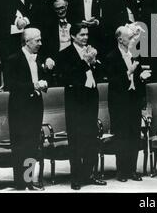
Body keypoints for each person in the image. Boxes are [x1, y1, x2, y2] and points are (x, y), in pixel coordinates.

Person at [57, 23, 107, 190]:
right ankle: (76, 178)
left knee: (90, 137)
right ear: (73, 36)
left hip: (90, 99)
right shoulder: (65, 54)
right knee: (76, 140)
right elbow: (66, 77)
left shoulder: (91, 51)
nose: (85, 37)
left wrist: (93, 62)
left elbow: (99, 74)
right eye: (81, 35)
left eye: (86, 34)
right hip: (75, 101)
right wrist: (85, 61)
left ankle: (89, 174)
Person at [6, 28, 54, 190]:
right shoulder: (13, 59)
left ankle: (28, 180)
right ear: (27, 41)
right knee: (20, 145)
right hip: (19, 108)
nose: (40, 43)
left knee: (32, 144)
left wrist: (47, 77)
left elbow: (44, 79)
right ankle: (21, 184)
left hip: (36, 106)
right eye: (37, 40)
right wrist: (34, 85)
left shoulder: (39, 58)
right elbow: (11, 85)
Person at [105, 25, 151, 182]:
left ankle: (132, 170)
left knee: (134, 135)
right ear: (120, 39)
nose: (133, 40)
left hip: (133, 101)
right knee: (122, 136)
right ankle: (122, 171)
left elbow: (137, 80)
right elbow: (113, 82)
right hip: (119, 103)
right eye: (130, 38)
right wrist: (129, 72)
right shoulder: (111, 57)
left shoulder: (134, 55)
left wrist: (141, 77)